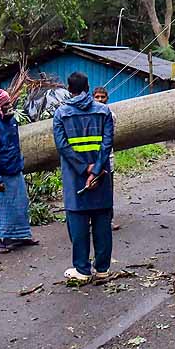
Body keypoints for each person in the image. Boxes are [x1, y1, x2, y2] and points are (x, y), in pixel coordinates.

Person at [53, 72, 114, 282]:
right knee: (102, 222)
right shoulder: (104, 111)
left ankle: (82, 269)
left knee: (78, 223)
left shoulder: (61, 114)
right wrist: (96, 169)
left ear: (69, 90)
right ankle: (103, 269)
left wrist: (83, 169)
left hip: (74, 177)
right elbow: (107, 144)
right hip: (101, 176)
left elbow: (62, 146)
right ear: (88, 87)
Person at [0, 88, 38, 254]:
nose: (10, 105)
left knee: (20, 205)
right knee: (1, 207)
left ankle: (22, 236)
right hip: (2, 175)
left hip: (15, 170)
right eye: (7, 104)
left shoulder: (11, 122)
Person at [91, 86, 120, 231]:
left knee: (107, 190)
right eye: (97, 97)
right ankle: (91, 221)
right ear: (92, 98)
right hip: (90, 161)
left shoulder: (111, 115)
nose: (100, 100)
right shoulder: (88, 115)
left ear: (107, 98)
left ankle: (109, 220)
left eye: (103, 97)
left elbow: (109, 139)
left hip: (108, 159)